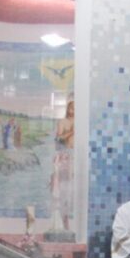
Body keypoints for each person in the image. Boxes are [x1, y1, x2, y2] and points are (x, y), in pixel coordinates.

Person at [51, 99, 75, 231]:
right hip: (65, 157)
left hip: (76, 159)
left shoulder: (81, 122)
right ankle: (63, 225)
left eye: (76, 108)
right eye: (72, 107)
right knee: (62, 192)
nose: (74, 111)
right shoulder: (63, 122)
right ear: (68, 109)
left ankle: (71, 226)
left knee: (72, 192)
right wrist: (72, 131)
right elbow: (59, 140)